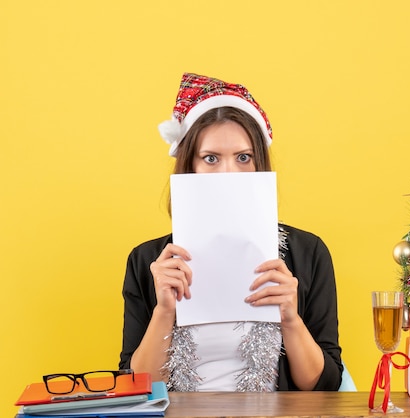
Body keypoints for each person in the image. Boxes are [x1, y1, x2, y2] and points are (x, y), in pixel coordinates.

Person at [119, 73, 343, 392]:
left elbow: (324, 386)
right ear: (189, 167)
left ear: (259, 165)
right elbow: (136, 386)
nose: (228, 173)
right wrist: (165, 310)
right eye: (211, 158)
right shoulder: (148, 262)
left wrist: (290, 318)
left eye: (243, 157)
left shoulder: (309, 253)